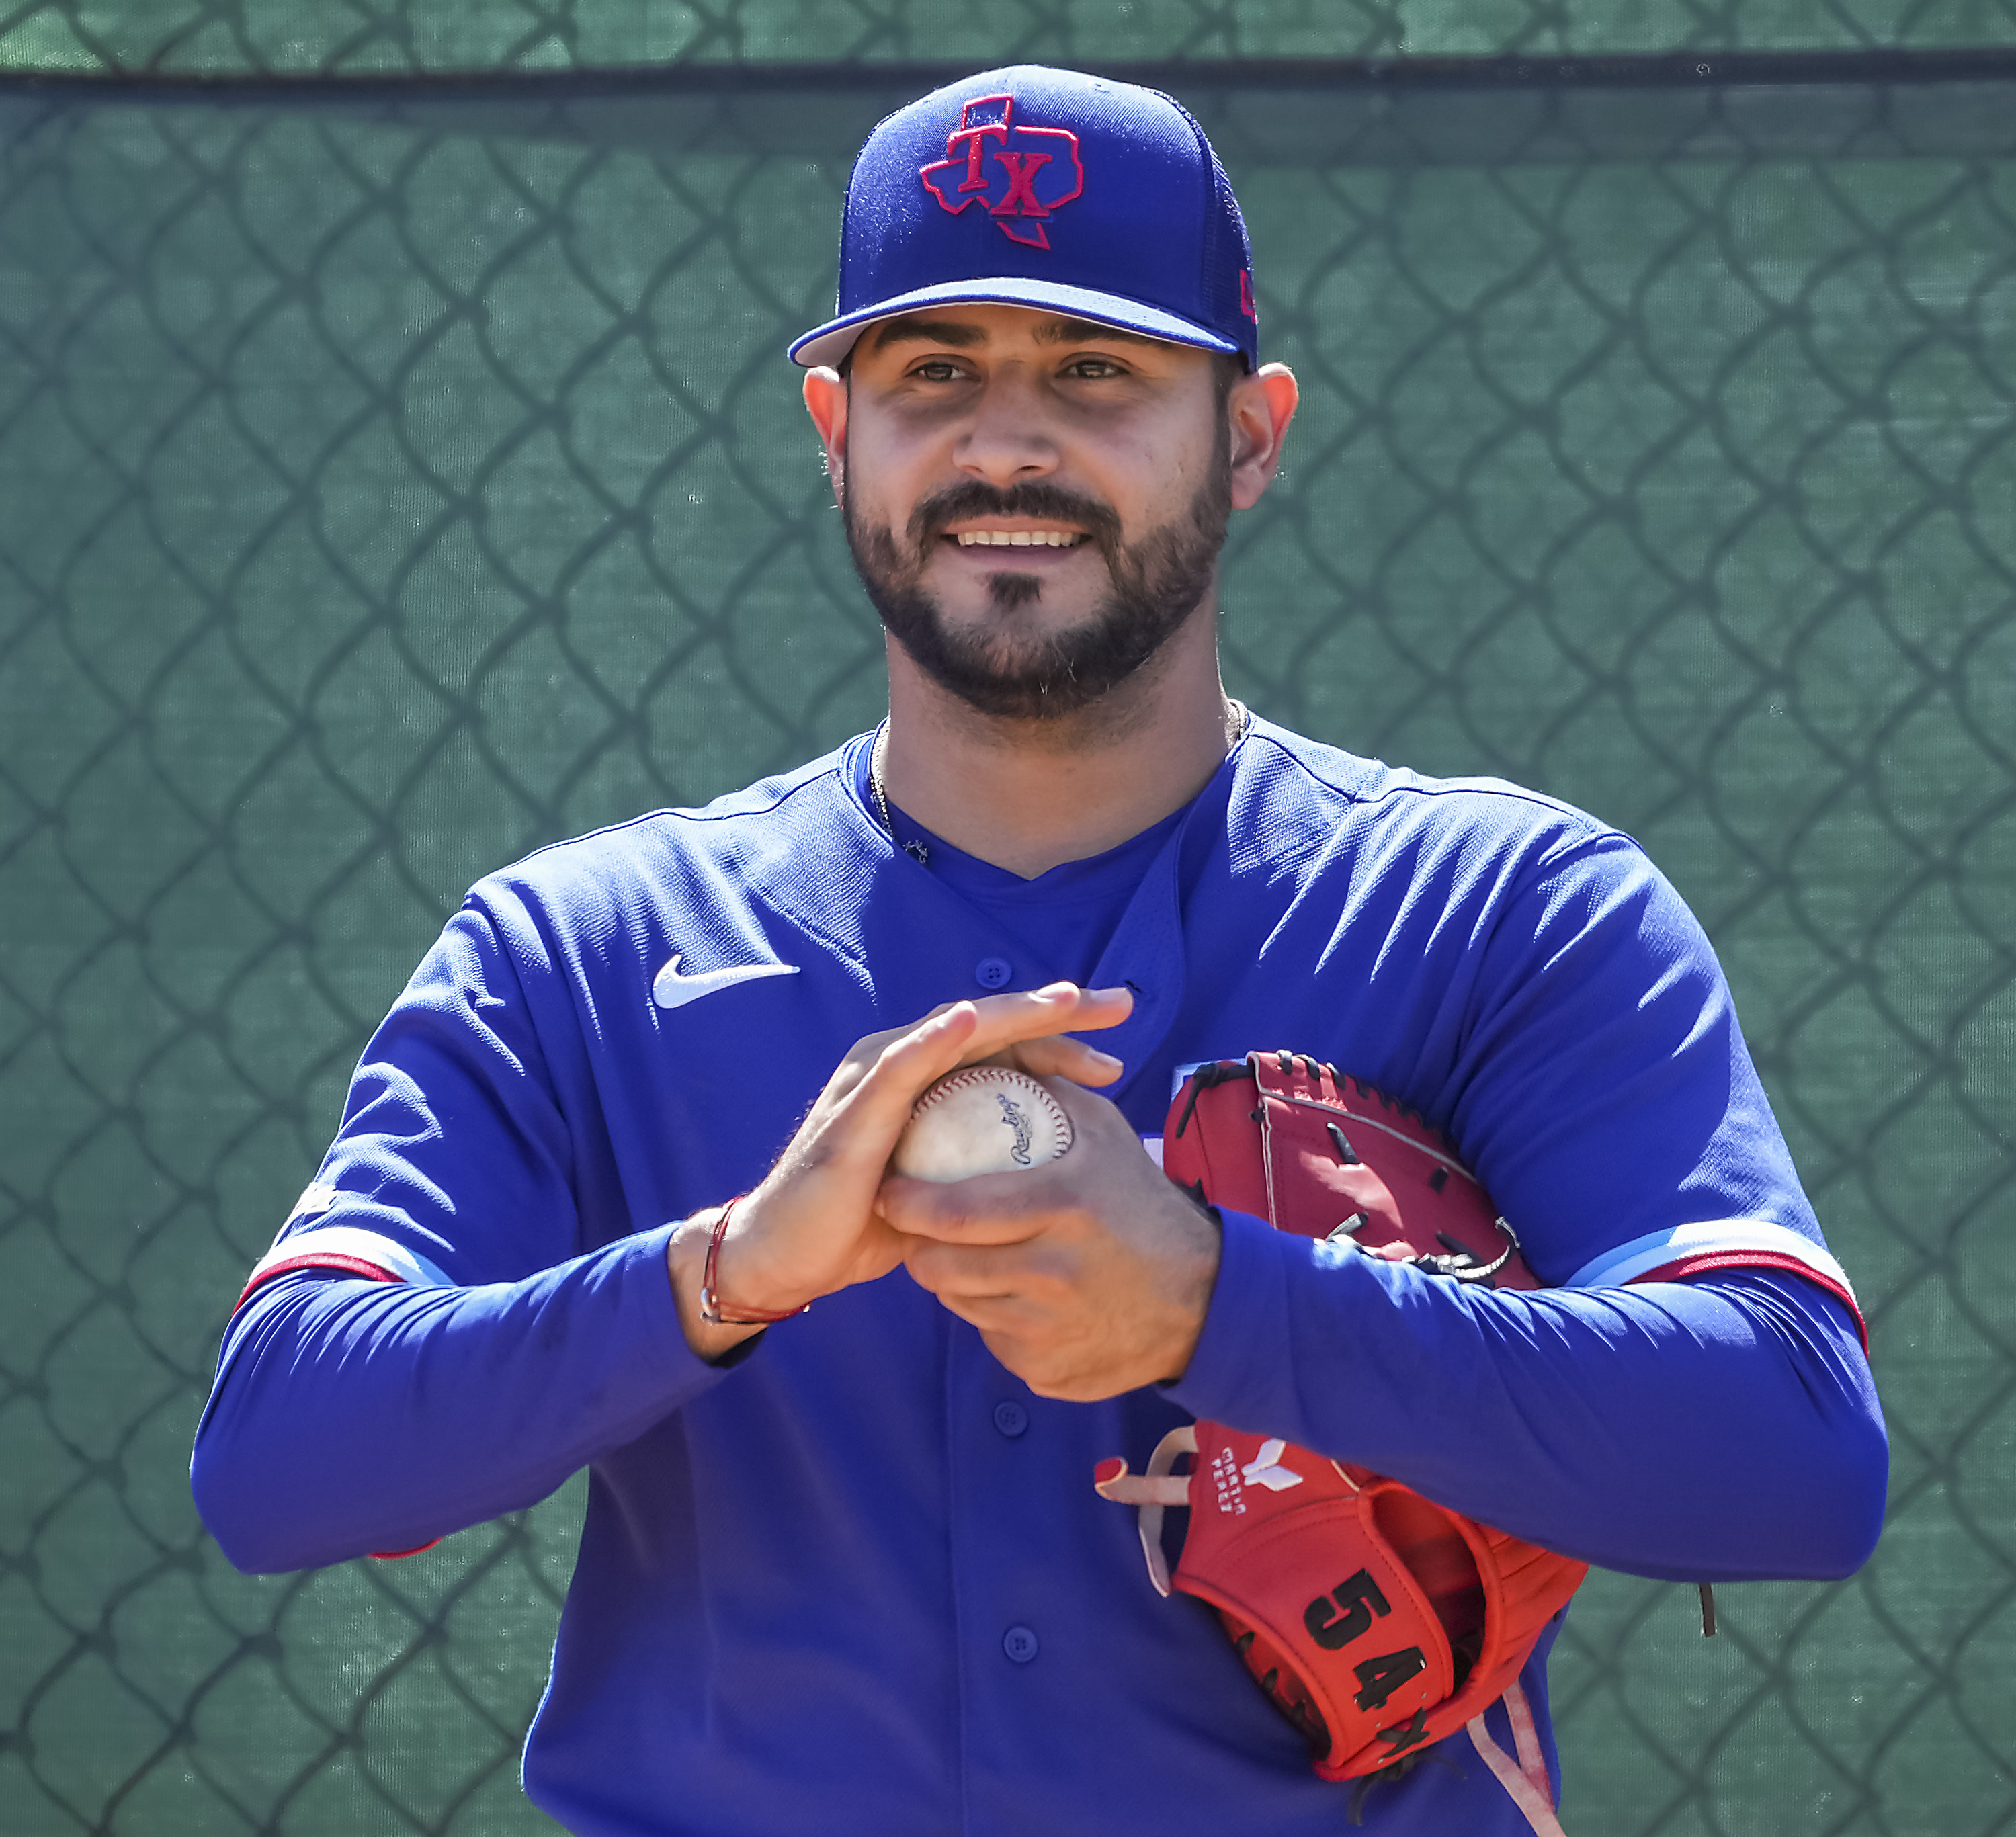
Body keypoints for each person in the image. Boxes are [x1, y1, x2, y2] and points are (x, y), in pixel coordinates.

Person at [190, 65, 1887, 1834]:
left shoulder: (1496, 910)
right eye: (937, 379)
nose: (1009, 445)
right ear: (838, 432)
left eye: (1096, 371)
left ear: (1249, 431)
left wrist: (1229, 1307)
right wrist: (726, 1275)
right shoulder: (585, 954)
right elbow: (277, 1462)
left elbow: (1792, 1458)